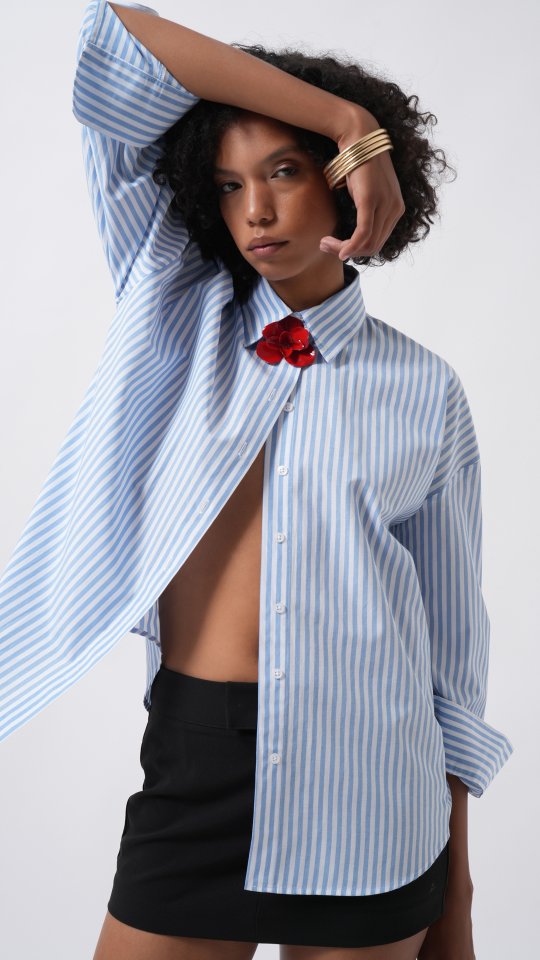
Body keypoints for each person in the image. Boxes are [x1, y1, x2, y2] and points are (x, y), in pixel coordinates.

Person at [0, 2, 514, 958]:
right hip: (194, 760)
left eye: (284, 171)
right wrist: (346, 120)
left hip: (374, 781)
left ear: (344, 185)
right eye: (229, 185)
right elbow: (112, 34)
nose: (256, 212)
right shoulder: (172, 306)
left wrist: (460, 885)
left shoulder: (426, 389)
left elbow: (451, 655)